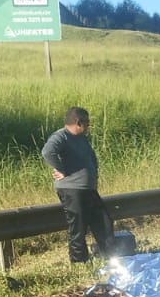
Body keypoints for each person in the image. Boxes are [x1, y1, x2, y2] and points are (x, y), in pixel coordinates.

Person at [42, 107, 115, 263]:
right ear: (78, 122)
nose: (88, 126)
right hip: (71, 190)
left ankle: (108, 256)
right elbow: (47, 152)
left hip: (88, 189)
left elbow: (89, 157)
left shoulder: (81, 137)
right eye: (87, 123)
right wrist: (62, 169)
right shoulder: (61, 136)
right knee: (78, 227)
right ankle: (79, 261)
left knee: (104, 221)